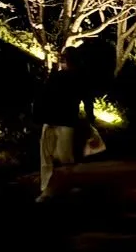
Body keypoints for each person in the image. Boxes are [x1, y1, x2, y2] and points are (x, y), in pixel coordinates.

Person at [36, 49, 96, 202]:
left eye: (64, 59)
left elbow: (43, 96)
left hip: (57, 121)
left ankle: (50, 189)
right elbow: (88, 101)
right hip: (60, 121)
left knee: (53, 157)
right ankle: (53, 188)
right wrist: (90, 120)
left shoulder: (67, 77)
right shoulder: (71, 77)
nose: (63, 61)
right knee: (61, 158)